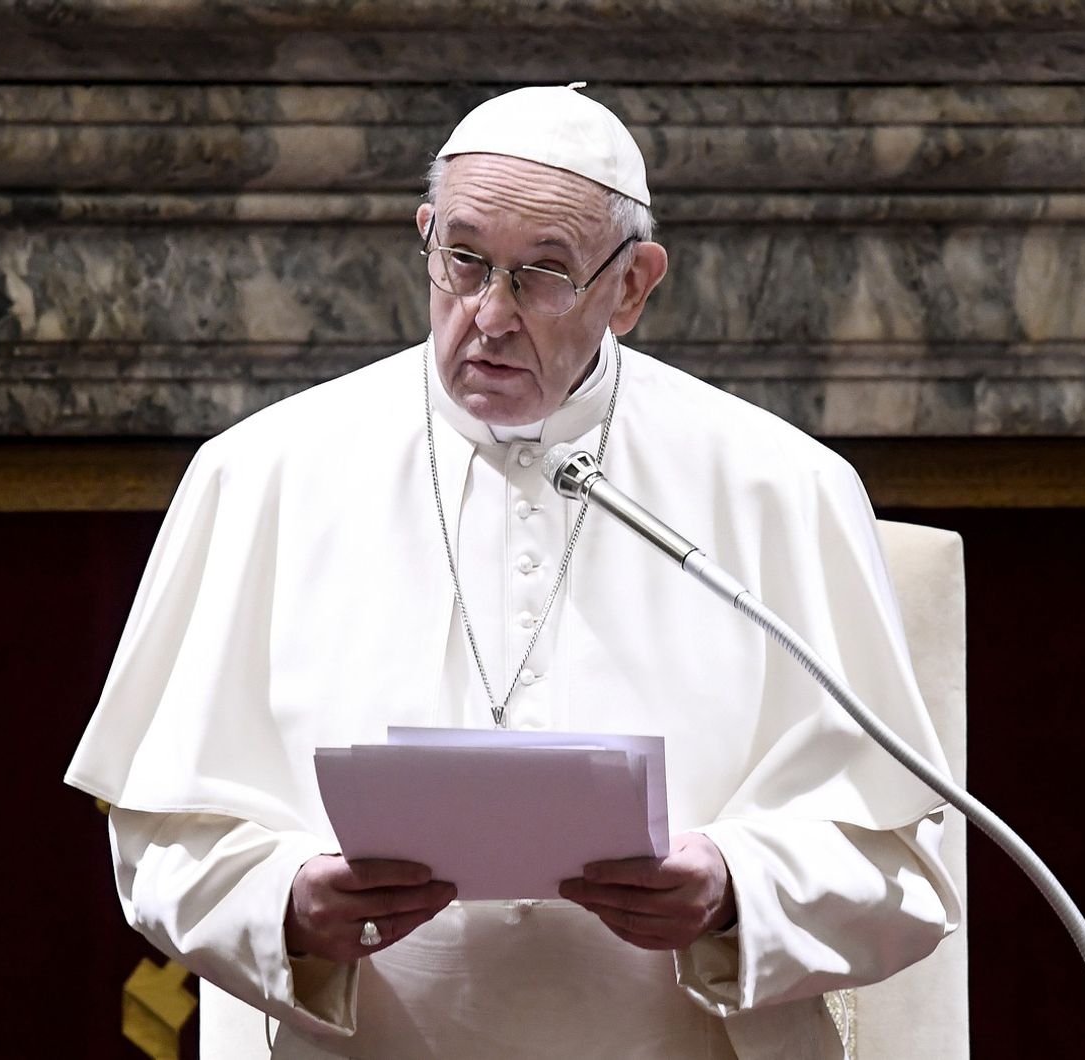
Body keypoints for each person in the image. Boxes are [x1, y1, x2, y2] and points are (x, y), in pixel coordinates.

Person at [66, 85, 961, 1059]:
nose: (488, 315)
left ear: (632, 286)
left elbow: (902, 876)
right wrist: (285, 901)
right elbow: (161, 843)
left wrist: (734, 888)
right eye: (462, 259)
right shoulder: (262, 475)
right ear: (424, 234)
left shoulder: (781, 489)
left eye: (542, 273)